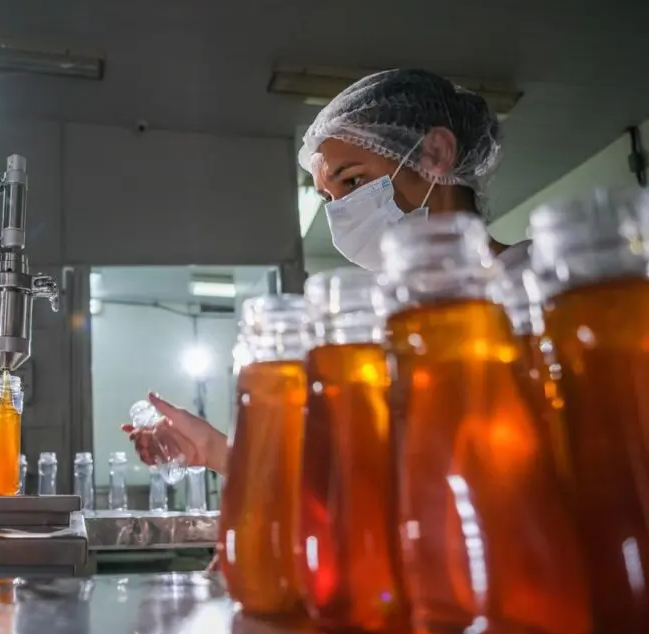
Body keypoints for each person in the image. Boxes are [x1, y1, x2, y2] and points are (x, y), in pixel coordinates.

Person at [124, 68, 527, 474]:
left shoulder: (535, 287)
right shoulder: (377, 330)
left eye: (353, 181)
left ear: (435, 153)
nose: (342, 214)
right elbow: (342, 478)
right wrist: (211, 450)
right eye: (329, 198)